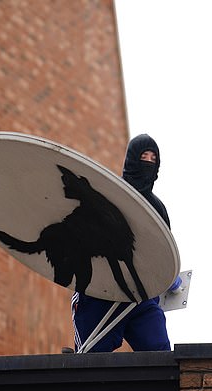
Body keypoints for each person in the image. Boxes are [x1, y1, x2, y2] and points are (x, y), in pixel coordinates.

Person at [70, 134, 171, 352]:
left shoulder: (158, 210)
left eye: (153, 159)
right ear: (133, 159)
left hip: (139, 297)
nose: (148, 163)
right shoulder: (107, 196)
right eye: (144, 156)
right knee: (91, 358)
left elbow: (164, 251)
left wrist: (168, 277)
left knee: (160, 353)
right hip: (100, 291)